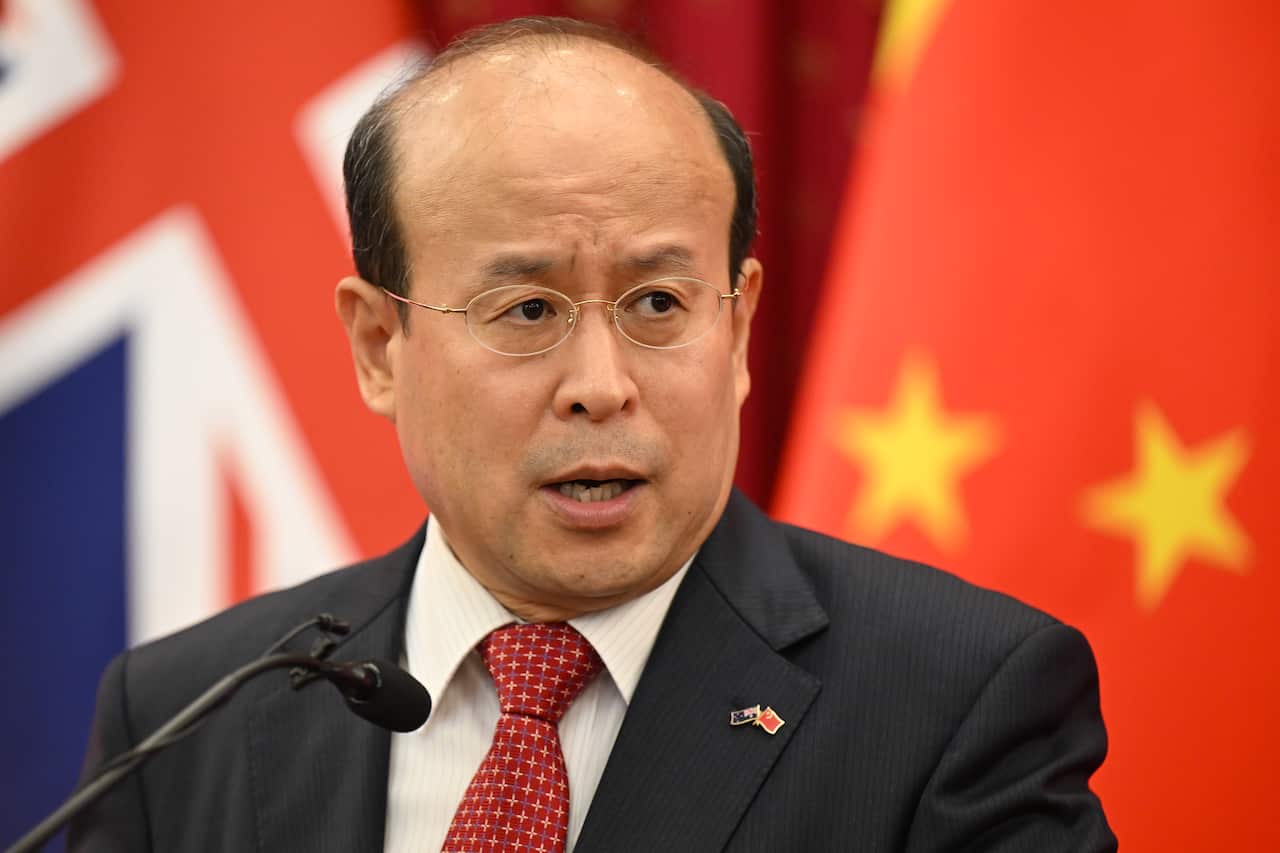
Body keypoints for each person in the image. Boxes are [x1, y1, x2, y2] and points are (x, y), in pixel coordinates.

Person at [69, 17, 1115, 852]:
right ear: (379, 345)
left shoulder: (955, 702)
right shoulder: (184, 719)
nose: (601, 387)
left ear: (738, 326)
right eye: (526, 312)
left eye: (659, 304)